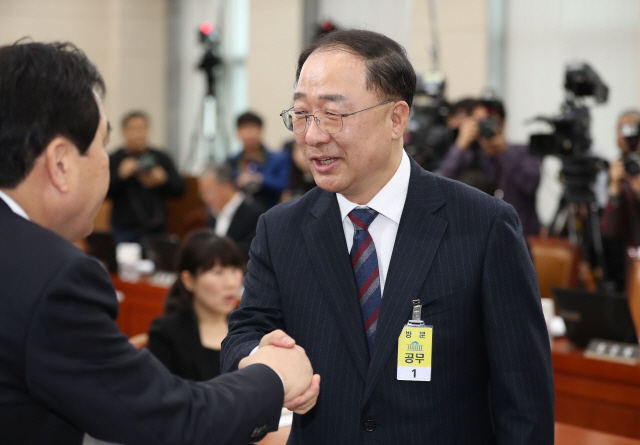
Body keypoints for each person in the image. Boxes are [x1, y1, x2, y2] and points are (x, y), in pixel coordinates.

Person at [221, 29, 554, 444]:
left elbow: (523, 396)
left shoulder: (484, 225)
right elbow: (244, 332)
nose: (312, 135)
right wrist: (260, 356)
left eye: (333, 114)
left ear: (396, 118)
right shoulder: (281, 229)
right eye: (302, 114)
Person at [0, 41, 318, 445]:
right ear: (61, 162)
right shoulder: (51, 277)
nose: (106, 162)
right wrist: (271, 376)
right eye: (101, 144)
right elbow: (172, 421)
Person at [148, 230, 243, 381]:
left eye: (234, 270)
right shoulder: (165, 333)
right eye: (218, 272)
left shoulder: (249, 327)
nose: (231, 283)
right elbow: (165, 396)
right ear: (189, 280)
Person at [438, 98, 542, 236]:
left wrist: (503, 152)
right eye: (480, 122)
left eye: (491, 121)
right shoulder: (468, 157)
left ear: (503, 124)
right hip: (477, 238)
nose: (486, 127)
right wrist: (460, 144)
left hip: (518, 237)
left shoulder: (522, 152)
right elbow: (438, 188)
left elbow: (531, 184)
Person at [107, 111, 185, 245]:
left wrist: (163, 180)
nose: (139, 133)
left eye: (143, 128)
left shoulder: (160, 157)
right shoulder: (115, 159)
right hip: (124, 230)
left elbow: (180, 190)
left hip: (155, 229)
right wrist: (120, 176)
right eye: (134, 128)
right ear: (124, 132)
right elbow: (103, 193)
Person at [600, 110, 640, 289]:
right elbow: (609, 231)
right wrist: (614, 190)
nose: (627, 135)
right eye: (622, 130)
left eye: (633, 130)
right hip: (623, 267)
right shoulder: (617, 169)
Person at [198, 163, 264, 263]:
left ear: (226, 185)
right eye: (202, 193)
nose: (205, 199)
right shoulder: (213, 215)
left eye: (208, 191)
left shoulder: (254, 214)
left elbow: (251, 254)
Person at [227, 111, 290, 208]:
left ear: (261, 131)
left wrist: (259, 179)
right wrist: (238, 182)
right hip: (241, 214)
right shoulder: (231, 162)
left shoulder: (279, 158)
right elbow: (225, 187)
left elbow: (284, 183)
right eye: (245, 129)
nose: (249, 134)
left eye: (253, 128)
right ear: (238, 133)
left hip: (270, 209)